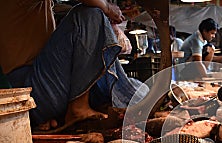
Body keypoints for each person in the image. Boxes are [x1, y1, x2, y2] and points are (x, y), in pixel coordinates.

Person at [0, 0, 148, 131]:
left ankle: (126, 105)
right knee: (90, 14)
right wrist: (108, 7)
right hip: (27, 89)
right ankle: (79, 108)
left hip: (42, 90)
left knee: (141, 90)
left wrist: (108, 26)